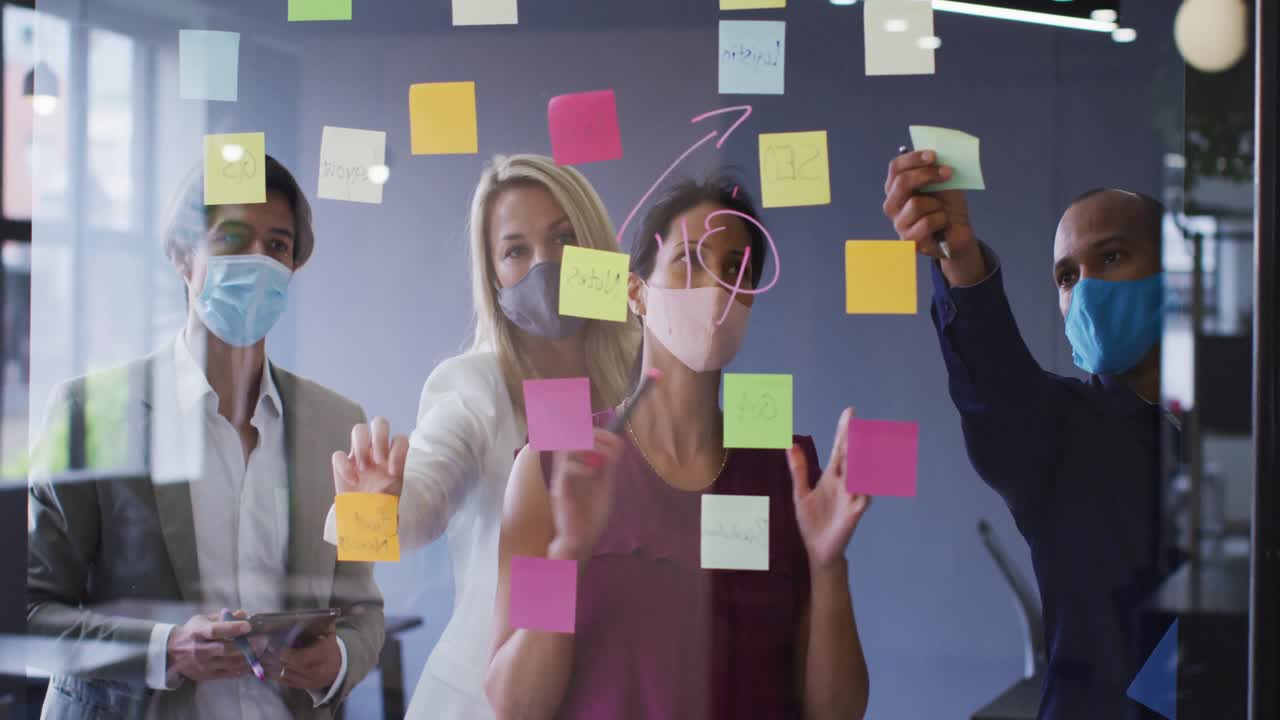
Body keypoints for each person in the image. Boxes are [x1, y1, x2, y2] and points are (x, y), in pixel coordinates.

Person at [485, 178, 872, 720]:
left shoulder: (793, 472)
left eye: (737, 267)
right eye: (689, 259)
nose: (715, 285)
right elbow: (513, 705)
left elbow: (837, 713)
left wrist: (829, 567)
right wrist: (569, 552)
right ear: (637, 292)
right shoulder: (557, 465)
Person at [27, 156, 385, 719]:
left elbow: (362, 607)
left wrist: (339, 659)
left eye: (277, 246)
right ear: (181, 255)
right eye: (233, 240)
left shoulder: (338, 425)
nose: (258, 262)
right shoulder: (87, 414)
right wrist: (161, 649)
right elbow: (28, 610)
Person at [325, 154, 638, 719]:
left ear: (598, 249)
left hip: (621, 691)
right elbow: (421, 497)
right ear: (493, 277)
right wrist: (375, 511)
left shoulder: (645, 377)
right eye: (516, 250)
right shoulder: (474, 383)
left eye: (565, 238)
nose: (547, 264)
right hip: (493, 696)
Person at [882, 152, 1177, 719]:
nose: (1085, 289)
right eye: (1067, 276)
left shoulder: (1239, 437)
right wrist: (958, 257)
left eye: (1110, 257)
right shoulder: (1060, 431)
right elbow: (995, 381)